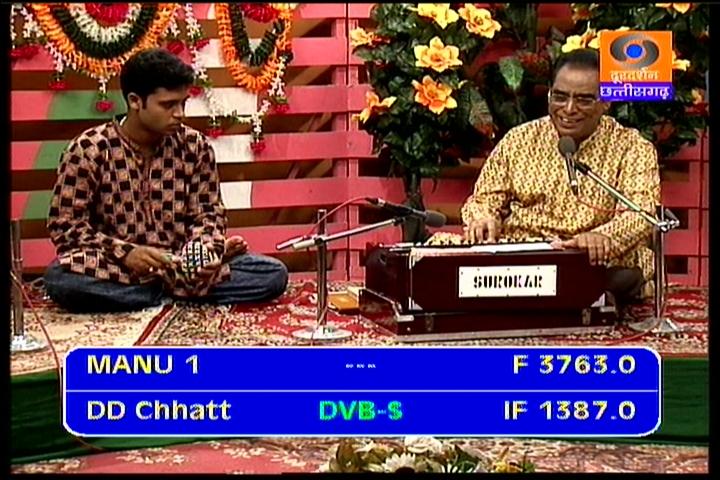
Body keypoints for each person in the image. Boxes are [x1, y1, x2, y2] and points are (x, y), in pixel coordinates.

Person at [44, 48, 288, 313]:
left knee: (272, 274)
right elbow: (65, 225)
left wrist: (205, 252)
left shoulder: (194, 146)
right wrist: (126, 253)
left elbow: (208, 215)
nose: (179, 114)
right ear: (135, 101)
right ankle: (170, 292)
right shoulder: (89, 149)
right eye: (168, 105)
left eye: (183, 103)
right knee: (60, 279)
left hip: (182, 264)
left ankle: (156, 293)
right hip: (120, 268)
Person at [461, 48, 661, 307]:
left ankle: (589, 294)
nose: (568, 109)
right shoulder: (519, 140)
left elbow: (641, 212)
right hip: (523, 260)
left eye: (584, 100)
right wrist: (482, 218)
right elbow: (483, 200)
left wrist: (602, 237)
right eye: (560, 97)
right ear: (549, 95)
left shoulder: (632, 147)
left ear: (606, 102)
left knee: (622, 270)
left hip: (589, 257)